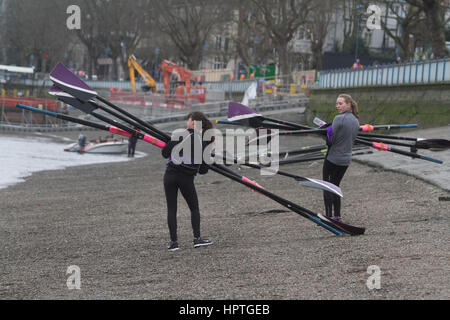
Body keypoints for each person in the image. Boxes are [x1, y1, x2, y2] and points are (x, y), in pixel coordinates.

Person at [161, 111, 214, 251]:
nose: (187, 122)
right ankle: (197, 239)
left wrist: (170, 143)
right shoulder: (203, 142)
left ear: (193, 122)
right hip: (186, 179)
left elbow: (165, 153)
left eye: (188, 119)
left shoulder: (179, 134)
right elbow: (203, 170)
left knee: (172, 209)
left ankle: (174, 243)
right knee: (194, 208)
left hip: (170, 176)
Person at [322, 94, 360, 221]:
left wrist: (326, 132)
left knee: (326, 185)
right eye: (337, 103)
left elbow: (330, 141)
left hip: (333, 158)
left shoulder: (338, 119)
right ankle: (337, 216)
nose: (337, 106)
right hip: (346, 160)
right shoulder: (356, 120)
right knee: (335, 186)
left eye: (340, 103)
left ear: (348, 104)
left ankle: (328, 216)